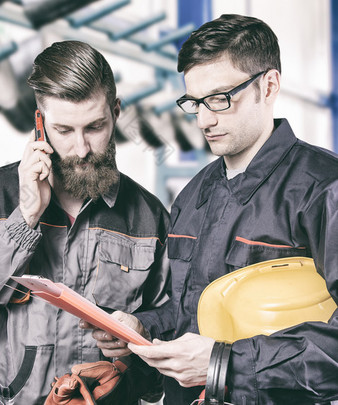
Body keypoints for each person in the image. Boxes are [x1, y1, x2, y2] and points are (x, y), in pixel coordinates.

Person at [85, 14, 338, 404]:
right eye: (194, 102)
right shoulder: (193, 194)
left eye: (220, 98)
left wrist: (224, 364)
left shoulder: (323, 188)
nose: (204, 119)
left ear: (268, 86)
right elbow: (190, 312)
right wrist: (142, 326)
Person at [0, 40, 171, 404]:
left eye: (95, 127)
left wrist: (137, 342)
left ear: (116, 113)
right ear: (40, 124)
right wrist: (24, 220)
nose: (82, 148)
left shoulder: (149, 218)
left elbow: (167, 344)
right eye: (64, 130)